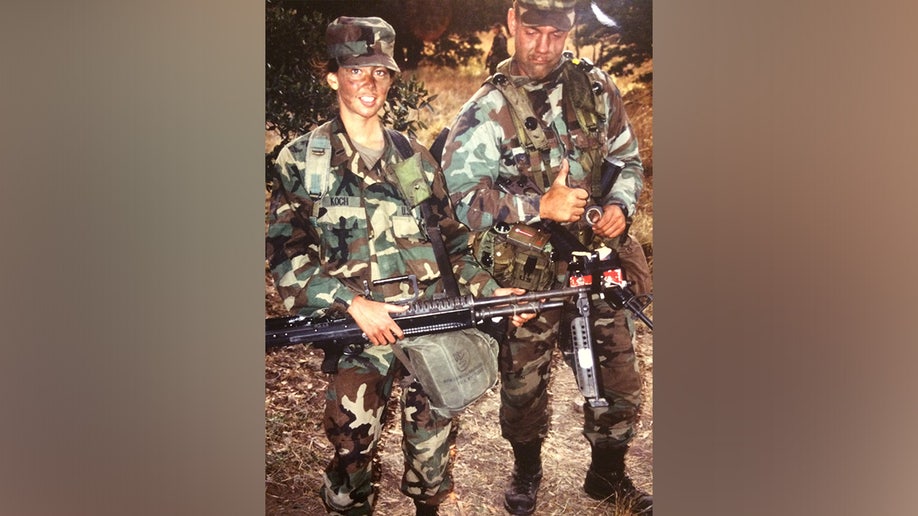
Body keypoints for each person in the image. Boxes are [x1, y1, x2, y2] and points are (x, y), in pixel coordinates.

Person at [266, 16, 531, 516]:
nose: (370, 85)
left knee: (432, 450)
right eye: (357, 71)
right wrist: (349, 303)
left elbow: (450, 242)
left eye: (381, 73)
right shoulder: (303, 159)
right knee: (352, 446)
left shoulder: (412, 157)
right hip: (358, 332)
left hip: (429, 322)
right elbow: (286, 252)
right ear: (333, 76)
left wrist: (488, 290)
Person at [439, 1, 653, 514]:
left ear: (570, 29)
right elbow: (461, 201)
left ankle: (607, 475)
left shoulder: (596, 87)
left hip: (598, 262)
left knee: (617, 373)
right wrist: (539, 205)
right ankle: (527, 469)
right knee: (523, 382)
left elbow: (627, 161)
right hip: (527, 271)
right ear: (511, 21)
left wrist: (620, 206)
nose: (543, 46)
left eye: (555, 34)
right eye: (532, 31)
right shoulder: (485, 109)